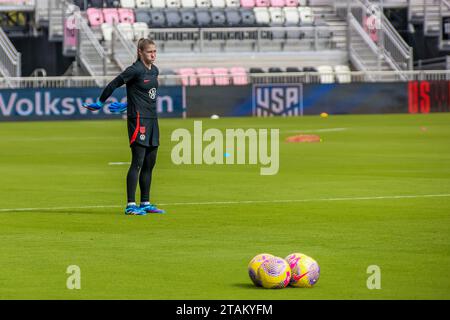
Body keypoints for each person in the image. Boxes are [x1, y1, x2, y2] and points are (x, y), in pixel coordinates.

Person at [83, 38, 165, 216]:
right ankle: (130, 204)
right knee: (138, 161)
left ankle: (145, 202)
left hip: (152, 119)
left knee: (150, 162)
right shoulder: (134, 70)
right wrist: (100, 102)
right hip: (138, 120)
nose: (153, 54)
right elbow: (114, 84)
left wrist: (127, 104)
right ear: (140, 52)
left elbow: (145, 96)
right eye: (150, 51)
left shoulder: (155, 70)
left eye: (155, 51)